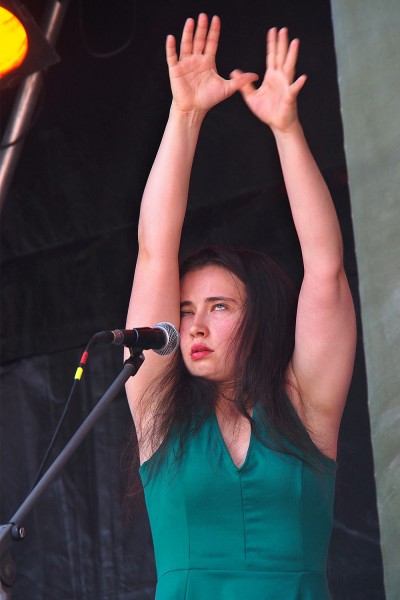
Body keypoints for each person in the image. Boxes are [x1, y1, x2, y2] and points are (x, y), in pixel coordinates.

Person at [124, 13, 356, 599]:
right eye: (185, 309)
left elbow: (324, 269)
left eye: (220, 306)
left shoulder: (306, 406)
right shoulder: (158, 412)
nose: (194, 325)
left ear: (259, 318)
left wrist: (286, 130)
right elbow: (155, 252)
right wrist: (185, 115)